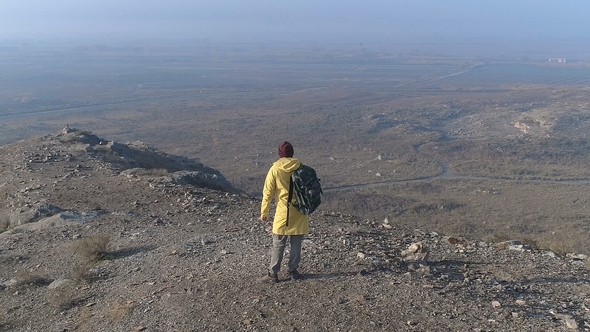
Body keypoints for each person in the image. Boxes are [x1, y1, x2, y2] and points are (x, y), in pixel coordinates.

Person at [257, 141, 309, 283]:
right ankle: (293, 271)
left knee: (278, 243)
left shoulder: (275, 169)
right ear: (292, 152)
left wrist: (264, 213)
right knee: (296, 243)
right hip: (300, 211)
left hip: (283, 213)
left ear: (280, 154)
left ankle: (273, 274)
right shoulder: (300, 166)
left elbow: (267, 192)